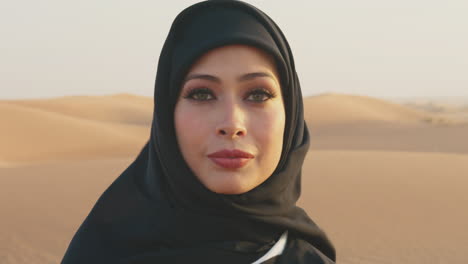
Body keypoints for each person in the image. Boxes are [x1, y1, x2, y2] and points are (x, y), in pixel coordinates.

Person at [61, 0, 336, 263]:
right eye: (202, 94)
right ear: (168, 116)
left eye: (258, 94)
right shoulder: (102, 253)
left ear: (291, 116)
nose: (231, 124)